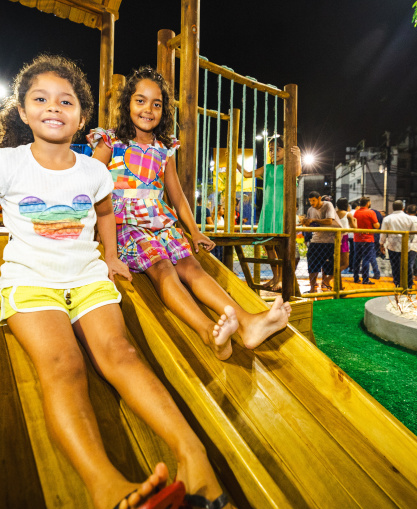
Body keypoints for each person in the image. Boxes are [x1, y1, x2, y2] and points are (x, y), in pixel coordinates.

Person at [0, 55, 239, 509]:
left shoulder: (93, 170)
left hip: (87, 277)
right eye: (41, 99)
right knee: (64, 365)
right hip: (32, 282)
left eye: (66, 100)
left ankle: (194, 457)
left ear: (82, 115)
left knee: (123, 355)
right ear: (24, 112)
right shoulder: (5, 162)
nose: (54, 107)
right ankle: (105, 486)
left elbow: (107, 213)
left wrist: (110, 257)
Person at [90, 65, 291, 363]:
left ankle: (248, 323)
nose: (148, 109)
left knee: (192, 267)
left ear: (164, 110)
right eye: (140, 101)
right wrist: (98, 239)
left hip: (158, 219)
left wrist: (194, 230)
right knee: (163, 269)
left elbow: (177, 194)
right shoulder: (111, 141)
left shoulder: (164, 147)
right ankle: (207, 331)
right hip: (124, 222)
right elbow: (89, 183)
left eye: (156, 104)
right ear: (127, 104)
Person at [241, 137, 302, 290]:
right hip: (268, 213)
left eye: (277, 149)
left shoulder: (288, 168)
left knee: (281, 248)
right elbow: (248, 174)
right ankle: (275, 278)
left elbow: (297, 172)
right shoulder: (267, 168)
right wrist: (233, 163)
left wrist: (298, 157)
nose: (273, 152)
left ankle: (281, 279)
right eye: (270, 150)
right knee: (268, 247)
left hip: (281, 213)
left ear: (285, 151)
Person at [379, 201, 417, 289]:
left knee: (395, 265)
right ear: (402, 208)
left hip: (392, 245)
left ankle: (397, 283)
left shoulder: (387, 218)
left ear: (393, 208)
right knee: (407, 265)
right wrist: (410, 240)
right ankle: (408, 284)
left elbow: (383, 233)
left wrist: (381, 244)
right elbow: (412, 233)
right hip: (406, 245)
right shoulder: (409, 218)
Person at [301, 191, 341, 292]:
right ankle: (312, 288)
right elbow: (311, 224)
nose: (311, 203)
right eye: (310, 201)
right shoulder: (310, 209)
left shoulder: (328, 205)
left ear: (319, 198)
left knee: (331, 265)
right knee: (312, 263)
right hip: (316, 239)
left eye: (313, 200)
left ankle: (325, 282)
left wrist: (313, 220)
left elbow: (329, 221)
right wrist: (306, 222)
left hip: (330, 239)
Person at [352, 197, 380, 285]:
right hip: (368, 238)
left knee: (357, 258)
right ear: (368, 203)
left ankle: (356, 277)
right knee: (366, 259)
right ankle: (365, 279)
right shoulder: (370, 212)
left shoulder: (356, 212)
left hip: (357, 238)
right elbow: (377, 226)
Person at [334, 198, 355, 291]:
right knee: (345, 264)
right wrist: (354, 220)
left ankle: (339, 287)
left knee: (338, 263)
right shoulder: (348, 214)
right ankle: (332, 275)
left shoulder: (334, 214)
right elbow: (354, 227)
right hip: (344, 239)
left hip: (334, 239)